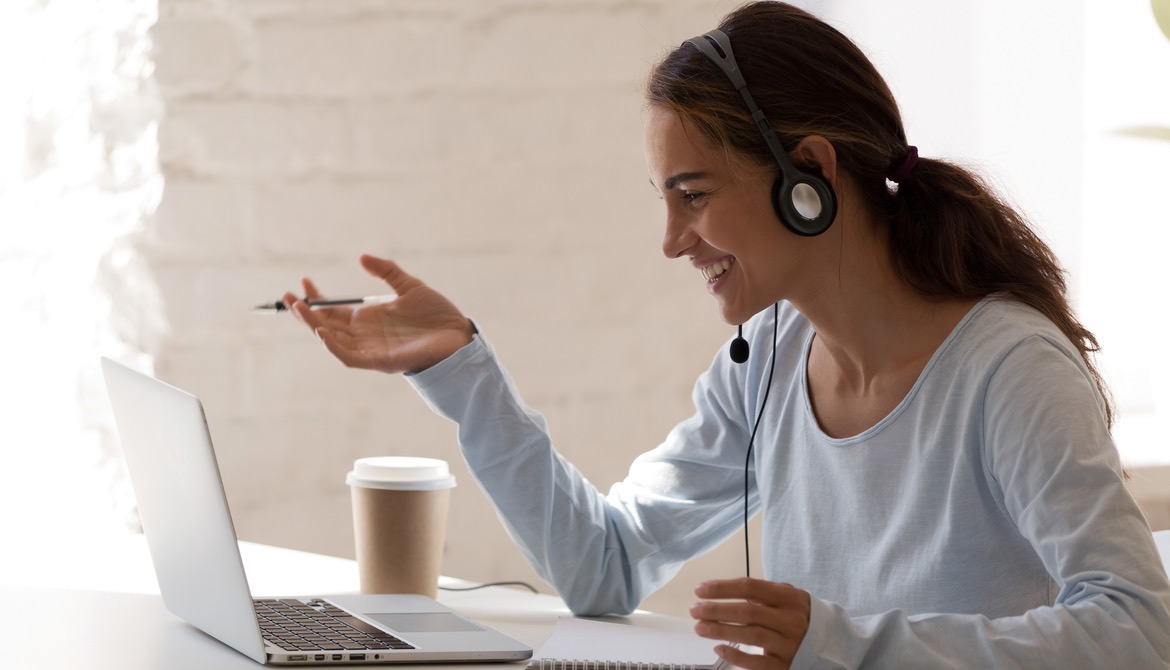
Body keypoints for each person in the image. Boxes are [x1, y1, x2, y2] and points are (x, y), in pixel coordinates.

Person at [283, 2, 1170, 668]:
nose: (673, 241)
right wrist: (462, 370)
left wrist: (842, 644)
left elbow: (1139, 626)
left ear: (811, 176)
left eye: (695, 196)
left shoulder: (1007, 370)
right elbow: (605, 566)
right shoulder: (769, 361)